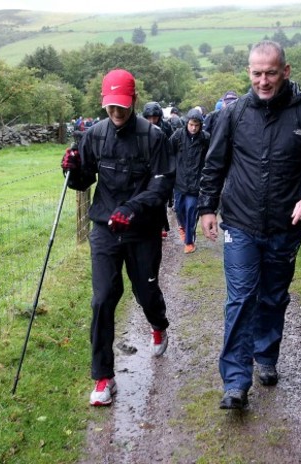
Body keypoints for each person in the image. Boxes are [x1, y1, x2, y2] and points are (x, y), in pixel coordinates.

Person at [198, 40, 301, 410]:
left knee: (273, 297)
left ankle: (266, 355)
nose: (263, 81)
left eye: (271, 73)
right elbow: (215, 164)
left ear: (285, 72)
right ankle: (236, 382)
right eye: (257, 73)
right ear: (249, 73)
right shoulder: (234, 114)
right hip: (240, 224)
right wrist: (207, 208)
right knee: (241, 298)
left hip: (284, 227)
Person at [61, 69, 175, 407]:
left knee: (146, 291)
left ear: (134, 101)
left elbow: (162, 184)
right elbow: (83, 181)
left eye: (122, 106)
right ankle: (103, 378)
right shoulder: (94, 135)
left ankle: (159, 324)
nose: (116, 113)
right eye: (111, 106)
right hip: (106, 230)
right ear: (103, 102)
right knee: (102, 300)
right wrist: (71, 169)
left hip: (142, 230)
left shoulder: (153, 138)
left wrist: (134, 209)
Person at [170, 108, 210, 254]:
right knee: (179, 210)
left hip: (196, 183)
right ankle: (183, 227)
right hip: (179, 182)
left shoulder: (205, 138)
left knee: (191, 211)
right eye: (191, 124)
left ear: (200, 125)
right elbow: (169, 153)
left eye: (197, 125)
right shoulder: (178, 136)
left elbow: (210, 158)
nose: (193, 128)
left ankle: (189, 241)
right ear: (187, 123)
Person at [142, 101, 174, 237]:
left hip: (161, 165)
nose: (151, 120)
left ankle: (160, 227)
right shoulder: (140, 128)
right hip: (145, 166)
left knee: (160, 199)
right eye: (149, 117)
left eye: (154, 117)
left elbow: (171, 146)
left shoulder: (166, 127)